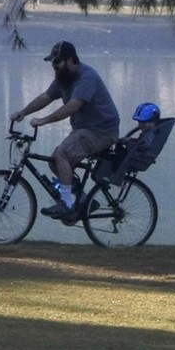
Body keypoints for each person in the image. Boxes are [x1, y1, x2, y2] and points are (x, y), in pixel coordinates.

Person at [11, 41, 121, 219]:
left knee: (61, 153)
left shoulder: (87, 77)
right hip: (84, 129)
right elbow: (46, 97)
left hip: (101, 131)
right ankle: (85, 202)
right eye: (52, 63)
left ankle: (67, 203)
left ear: (71, 60)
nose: (54, 66)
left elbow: (73, 106)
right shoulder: (63, 78)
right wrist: (23, 112)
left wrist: (44, 120)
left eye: (57, 62)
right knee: (56, 162)